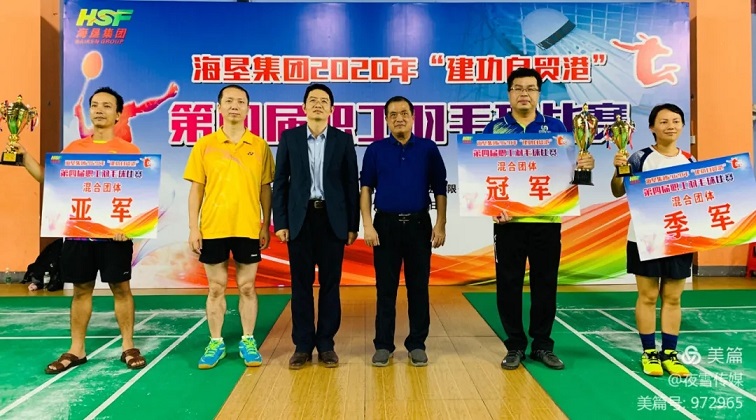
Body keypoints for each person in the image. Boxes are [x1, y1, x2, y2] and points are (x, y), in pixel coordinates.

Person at [11, 87, 147, 373]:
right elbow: (52, 181)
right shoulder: (74, 149)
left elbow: (139, 194)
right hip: (78, 234)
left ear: (118, 115)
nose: (99, 110)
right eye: (94, 105)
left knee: (121, 289)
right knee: (81, 290)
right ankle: (77, 349)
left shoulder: (130, 152)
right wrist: (24, 157)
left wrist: (129, 227)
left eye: (107, 106)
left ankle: (128, 346)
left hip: (115, 236)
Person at [483, 68, 594, 371]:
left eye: (530, 88)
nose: (524, 94)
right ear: (509, 93)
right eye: (518, 88)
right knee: (508, 284)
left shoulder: (556, 128)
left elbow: (570, 175)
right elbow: (482, 175)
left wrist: (584, 164)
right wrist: (492, 207)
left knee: (545, 284)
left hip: (547, 221)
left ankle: (543, 345)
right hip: (509, 224)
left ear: (539, 93)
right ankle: (515, 345)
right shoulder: (495, 129)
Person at [183, 84, 275, 369]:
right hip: (213, 227)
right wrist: (193, 227)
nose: (235, 106)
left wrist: (265, 224)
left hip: (248, 226)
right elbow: (196, 189)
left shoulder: (259, 146)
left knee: (247, 286)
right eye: (229, 101)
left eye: (240, 101)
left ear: (248, 108)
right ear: (219, 107)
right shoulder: (205, 144)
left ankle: (248, 340)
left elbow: (266, 188)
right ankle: (216, 342)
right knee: (215, 287)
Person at [272, 83, 359, 369]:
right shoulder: (290, 138)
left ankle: (326, 344)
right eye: (313, 100)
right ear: (304, 107)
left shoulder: (343, 140)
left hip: (332, 221)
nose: (318, 104)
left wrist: (352, 225)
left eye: (324, 100)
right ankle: (302, 345)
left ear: (332, 109)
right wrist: (280, 221)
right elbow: (280, 182)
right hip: (300, 220)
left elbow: (351, 184)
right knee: (301, 285)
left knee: (330, 285)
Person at [360, 96, 447, 367]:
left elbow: (440, 187)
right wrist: (367, 225)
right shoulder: (375, 150)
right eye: (393, 114)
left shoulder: (428, 148)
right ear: (386, 119)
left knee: (418, 288)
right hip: (384, 226)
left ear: (413, 117)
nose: (399, 118)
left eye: (404, 113)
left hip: (419, 225)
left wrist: (441, 223)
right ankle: (383, 345)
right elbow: (366, 189)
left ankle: (417, 344)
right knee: (385, 289)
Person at [610, 103, 694, 378]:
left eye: (676, 121)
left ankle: (669, 354)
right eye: (664, 121)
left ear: (682, 125)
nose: (671, 126)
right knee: (647, 296)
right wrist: (618, 170)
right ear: (652, 128)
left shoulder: (691, 161)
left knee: (673, 297)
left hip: (678, 237)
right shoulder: (639, 158)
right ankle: (649, 353)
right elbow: (618, 191)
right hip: (644, 237)